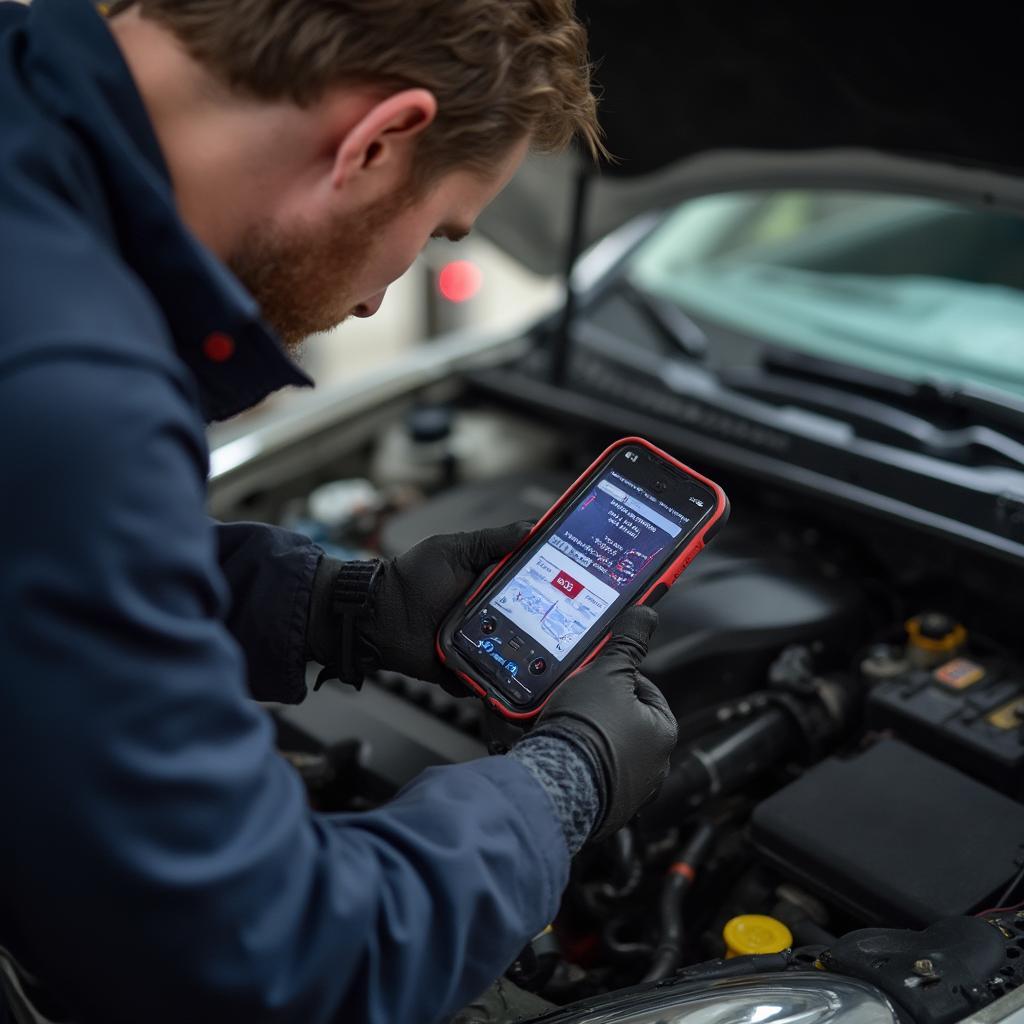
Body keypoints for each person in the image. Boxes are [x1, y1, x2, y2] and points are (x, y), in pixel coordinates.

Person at [0, 1, 678, 1021]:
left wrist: (333, 605)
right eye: (437, 230)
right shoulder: (73, 386)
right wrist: (561, 785)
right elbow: (258, 964)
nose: (372, 303)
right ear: (379, 141)